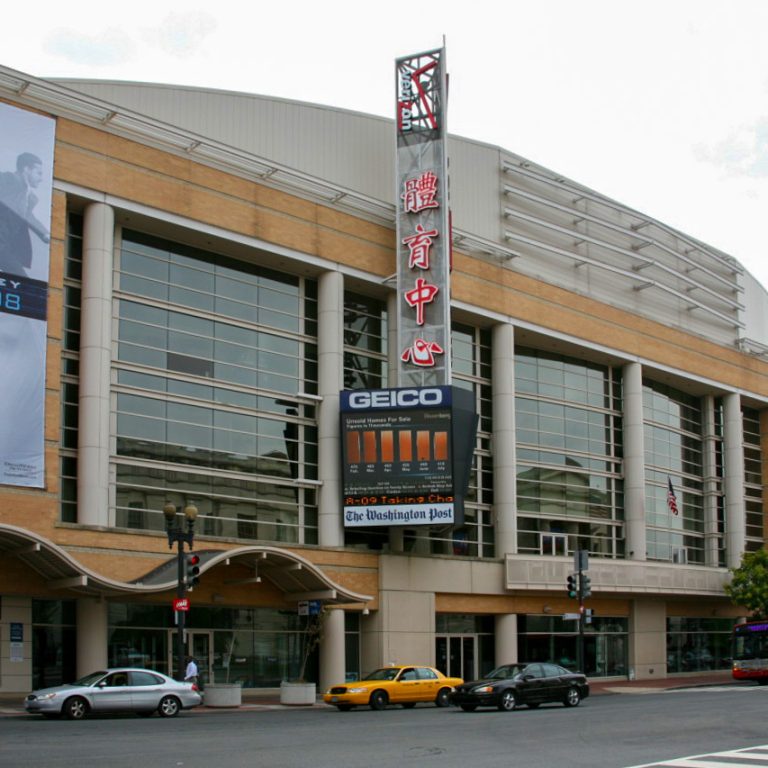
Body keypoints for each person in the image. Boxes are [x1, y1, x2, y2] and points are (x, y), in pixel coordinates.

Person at [0, 152, 50, 277]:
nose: (41, 178)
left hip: (6, 246)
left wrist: (44, 233)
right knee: (21, 280)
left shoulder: (29, 197)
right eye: (38, 173)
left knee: (20, 279)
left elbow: (27, 216)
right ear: (27, 169)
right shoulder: (5, 179)